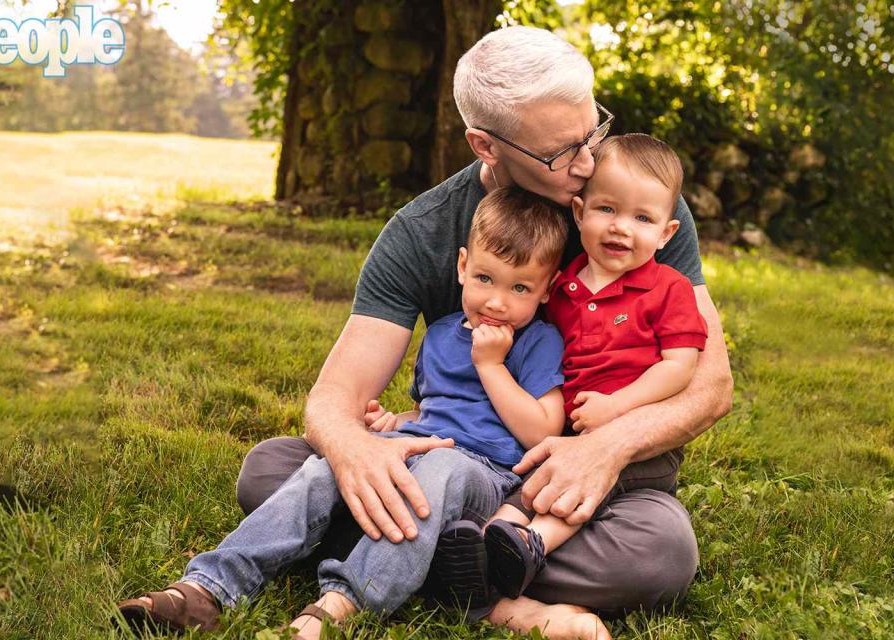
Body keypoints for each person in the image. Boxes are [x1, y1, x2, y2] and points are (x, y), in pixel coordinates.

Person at [236, 26, 733, 639]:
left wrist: (606, 447)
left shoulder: (636, 203)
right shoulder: (421, 232)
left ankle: (408, 555)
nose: (586, 164)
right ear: (485, 145)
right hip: (457, 467)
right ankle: (482, 573)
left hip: (578, 486)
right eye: (559, 153)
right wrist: (358, 447)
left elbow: (709, 384)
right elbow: (334, 398)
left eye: (592, 133)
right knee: (269, 471)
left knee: (661, 551)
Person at [115, 188, 575, 637]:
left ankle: (341, 605)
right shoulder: (438, 334)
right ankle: (207, 587)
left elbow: (542, 431)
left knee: (436, 472)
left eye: (519, 287)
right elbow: (431, 409)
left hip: (485, 471)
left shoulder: (538, 341)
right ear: (462, 267)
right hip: (422, 446)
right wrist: (395, 424)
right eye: (484, 279)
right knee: (325, 471)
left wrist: (492, 366)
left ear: (545, 290)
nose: (496, 301)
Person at [440, 134, 708, 602]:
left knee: (571, 484)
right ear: (580, 212)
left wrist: (616, 408)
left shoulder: (669, 289)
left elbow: (680, 367)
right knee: (536, 479)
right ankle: (483, 551)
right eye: (607, 210)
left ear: (666, 234)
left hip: (638, 444)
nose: (621, 228)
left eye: (642, 218)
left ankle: (529, 546)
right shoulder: (561, 288)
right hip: (565, 438)